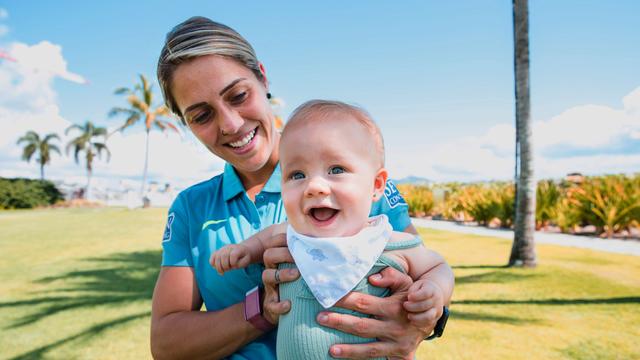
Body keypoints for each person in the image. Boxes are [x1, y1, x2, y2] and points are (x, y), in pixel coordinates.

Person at [151, 16, 455, 359]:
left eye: (238, 95)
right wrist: (262, 310)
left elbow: (425, 277)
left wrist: (421, 320)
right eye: (202, 116)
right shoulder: (192, 207)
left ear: (262, 77)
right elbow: (165, 344)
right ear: (186, 124)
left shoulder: (355, 180)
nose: (231, 124)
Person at [211, 100, 452, 359]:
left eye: (336, 170)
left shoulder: (388, 242)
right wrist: (243, 250)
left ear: (376, 185)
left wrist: (434, 292)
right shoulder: (291, 237)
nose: (314, 186)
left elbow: (437, 267)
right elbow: (263, 240)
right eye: (297, 175)